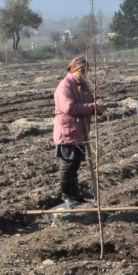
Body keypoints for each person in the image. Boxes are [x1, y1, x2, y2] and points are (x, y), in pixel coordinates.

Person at [53, 56, 106, 204]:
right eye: (81, 70)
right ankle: (65, 195)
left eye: (86, 70)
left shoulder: (84, 86)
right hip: (67, 130)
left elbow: (89, 104)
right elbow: (68, 107)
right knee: (68, 164)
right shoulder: (65, 86)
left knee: (75, 164)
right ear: (74, 70)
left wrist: (98, 107)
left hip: (80, 131)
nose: (84, 73)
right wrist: (92, 107)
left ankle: (75, 195)